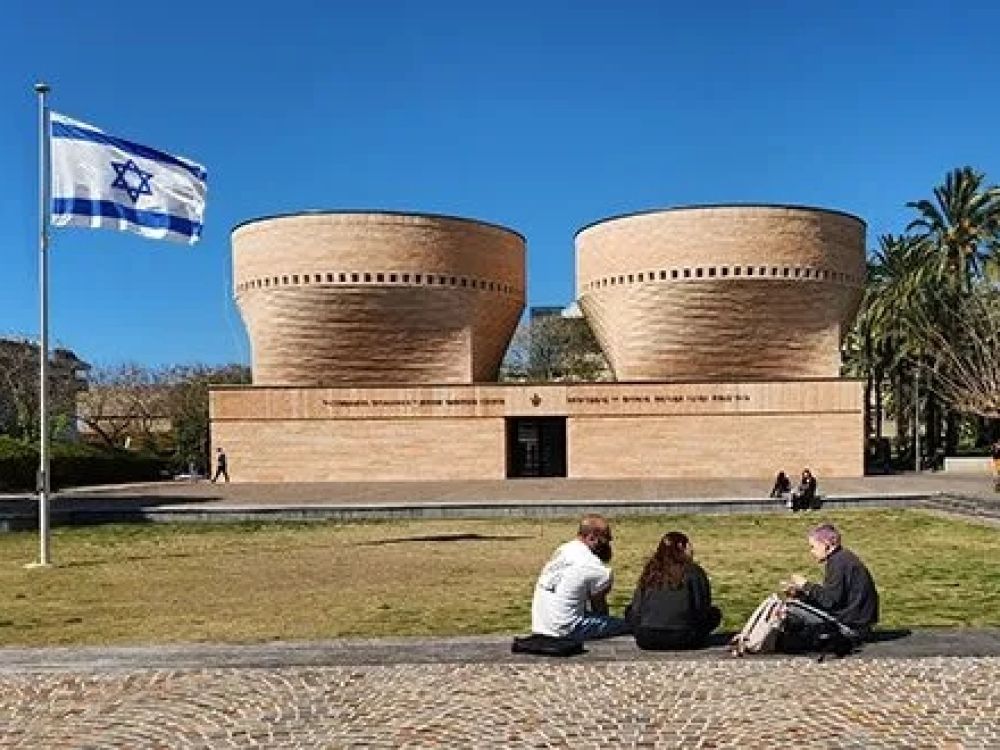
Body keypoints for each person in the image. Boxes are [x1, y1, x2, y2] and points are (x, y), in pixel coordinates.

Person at [531, 514, 629, 641]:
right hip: (565, 630)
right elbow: (599, 609)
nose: (609, 545)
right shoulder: (597, 568)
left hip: (540, 626)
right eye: (606, 540)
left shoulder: (563, 550)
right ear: (592, 538)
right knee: (626, 625)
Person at [784, 523, 879, 645]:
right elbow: (834, 597)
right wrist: (801, 594)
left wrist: (805, 585)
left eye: (813, 547)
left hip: (851, 626)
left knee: (790, 609)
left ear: (826, 545)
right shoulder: (843, 558)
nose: (811, 551)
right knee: (796, 603)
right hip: (858, 621)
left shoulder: (838, 563)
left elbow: (829, 602)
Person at [625, 531, 721, 650]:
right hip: (684, 638)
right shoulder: (693, 571)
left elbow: (636, 608)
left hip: (646, 638)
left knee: (628, 611)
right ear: (681, 546)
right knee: (715, 614)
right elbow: (701, 607)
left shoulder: (651, 571)